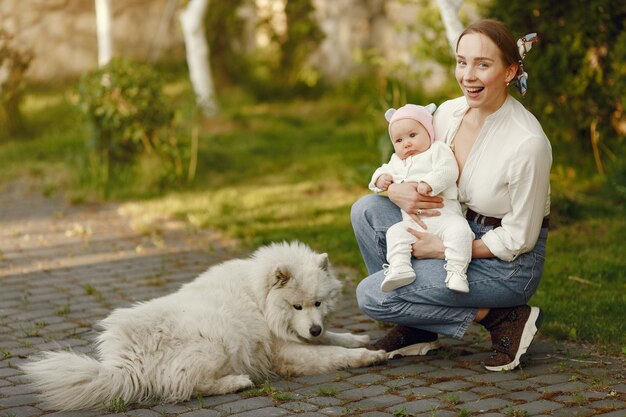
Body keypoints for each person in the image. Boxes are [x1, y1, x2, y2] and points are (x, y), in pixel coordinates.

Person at [351, 19, 552, 372]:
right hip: (450, 222)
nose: (468, 75)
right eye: (462, 61)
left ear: (509, 71)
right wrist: (397, 190)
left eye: (483, 64)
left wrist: (440, 249)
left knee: (372, 295)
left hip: (504, 262)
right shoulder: (447, 113)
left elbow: (520, 237)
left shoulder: (527, 143)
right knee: (366, 210)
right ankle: (418, 325)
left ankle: (502, 317)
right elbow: (408, 162)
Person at [369, 103, 474, 293]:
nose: (406, 143)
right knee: (395, 233)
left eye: (412, 135)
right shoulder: (397, 161)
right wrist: (381, 180)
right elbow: (381, 170)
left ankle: (457, 271)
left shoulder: (437, 150)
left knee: (460, 231)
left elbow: (448, 170)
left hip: (445, 217)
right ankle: (400, 268)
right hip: (414, 223)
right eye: (399, 140)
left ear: (428, 131)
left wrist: (430, 183)